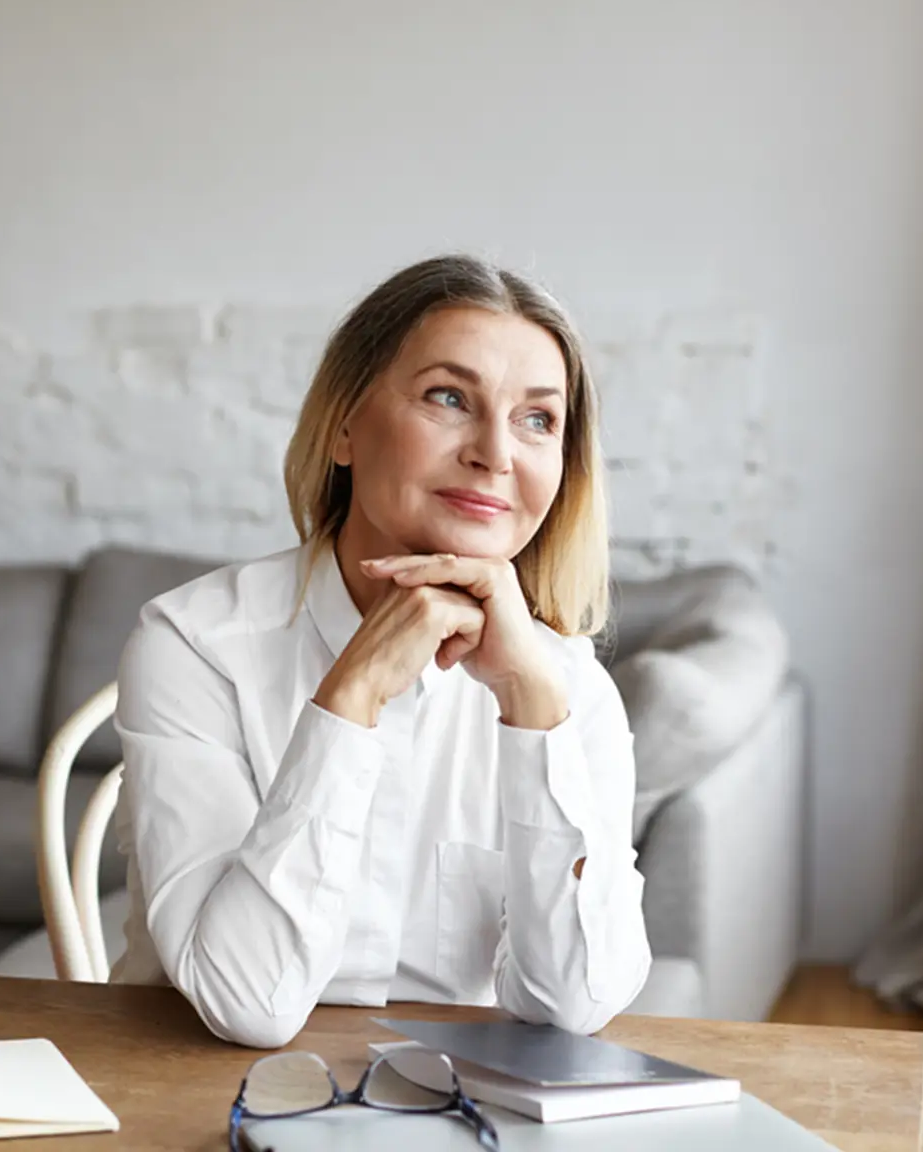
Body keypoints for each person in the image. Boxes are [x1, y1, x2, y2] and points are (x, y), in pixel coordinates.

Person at [109, 254, 652, 1048]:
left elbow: (577, 1003)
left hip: (459, 1110)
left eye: (538, 419)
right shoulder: (194, 646)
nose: (496, 454)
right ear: (343, 425)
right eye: (448, 398)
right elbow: (246, 1003)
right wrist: (351, 697)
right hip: (195, 1097)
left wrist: (534, 713)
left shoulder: (570, 689)